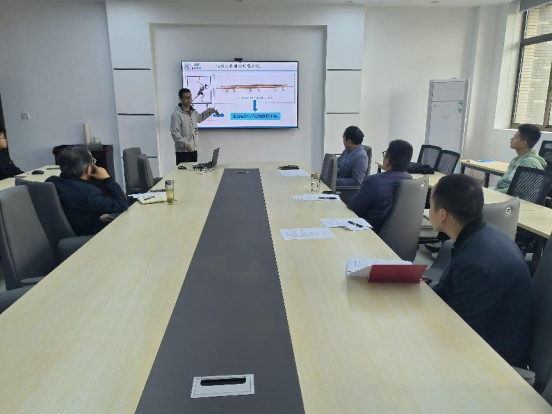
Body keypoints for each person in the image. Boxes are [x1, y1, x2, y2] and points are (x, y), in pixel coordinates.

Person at [430, 174, 533, 367]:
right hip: (479, 336)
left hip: (493, 360)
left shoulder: (477, 263)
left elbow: (460, 334)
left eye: (430, 204)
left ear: (442, 214)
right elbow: (446, 290)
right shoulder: (477, 236)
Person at [46, 145, 128, 236]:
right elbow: (122, 204)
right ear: (88, 169)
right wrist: (107, 178)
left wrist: (96, 219)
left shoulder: (50, 182)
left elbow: (72, 212)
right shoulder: (89, 194)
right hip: (86, 238)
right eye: (93, 161)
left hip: (61, 232)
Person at [347, 140, 413, 233]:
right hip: (395, 235)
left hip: (368, 233)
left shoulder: (373, 182)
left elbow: (353, 209)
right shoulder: (410, 180)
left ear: (387, 161)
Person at [171, 88, 219, 165]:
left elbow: (200, 118)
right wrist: (185, 144)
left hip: (193, 149)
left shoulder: (193, 112)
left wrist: (210, 111)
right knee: (183, 172)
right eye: (186, 98)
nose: (189, 100)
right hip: (183, 151)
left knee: (193, 171)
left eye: (190, 97)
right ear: (180, 99)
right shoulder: (177, 115)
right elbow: (175, 133)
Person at [494, 124, 546, 194]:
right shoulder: (517, 159)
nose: (511, 139)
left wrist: (494, 192)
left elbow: (519, 191)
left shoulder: (530, 163)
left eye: (515, 137)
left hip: (510, 198)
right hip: (502, 193)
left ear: (523, 143)